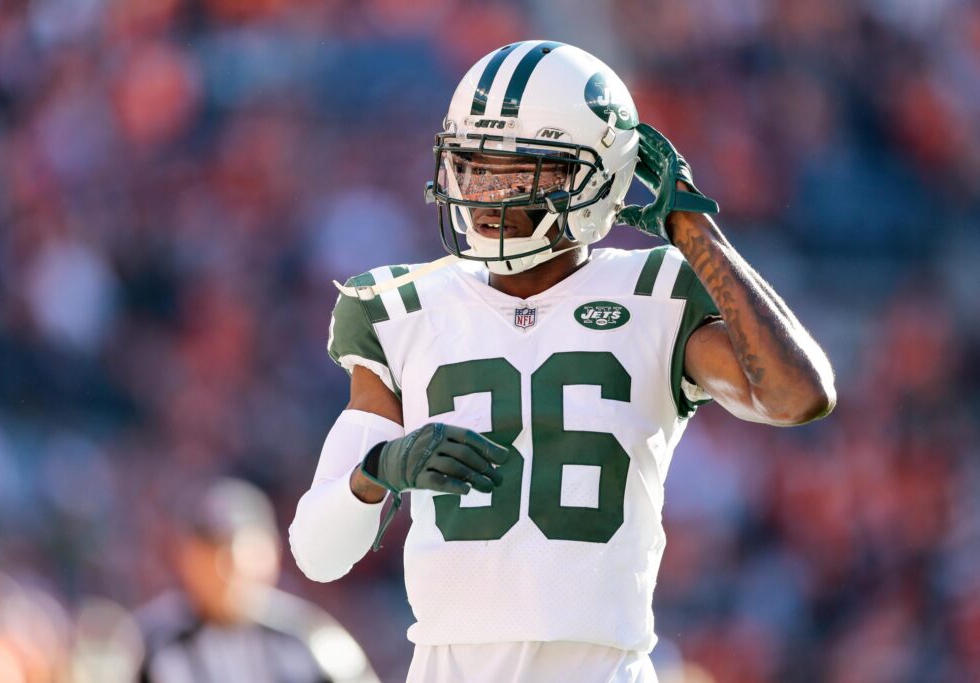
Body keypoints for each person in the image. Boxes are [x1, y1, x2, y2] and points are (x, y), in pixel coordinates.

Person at [289, 40, 836, 683]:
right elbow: (318, 553)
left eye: (518, 173)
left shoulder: (655, 291)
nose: (485, 193)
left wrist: (694, 228)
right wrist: (379, 469)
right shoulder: (399, 306)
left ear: (596, 179)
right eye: (471, 165)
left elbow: (796, 397)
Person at [137, 478, 378, 683]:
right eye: (209, 554)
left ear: (270, 553)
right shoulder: (149, 645)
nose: (222, 570)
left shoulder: (310, 640)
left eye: (234, 554)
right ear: (185, 559)